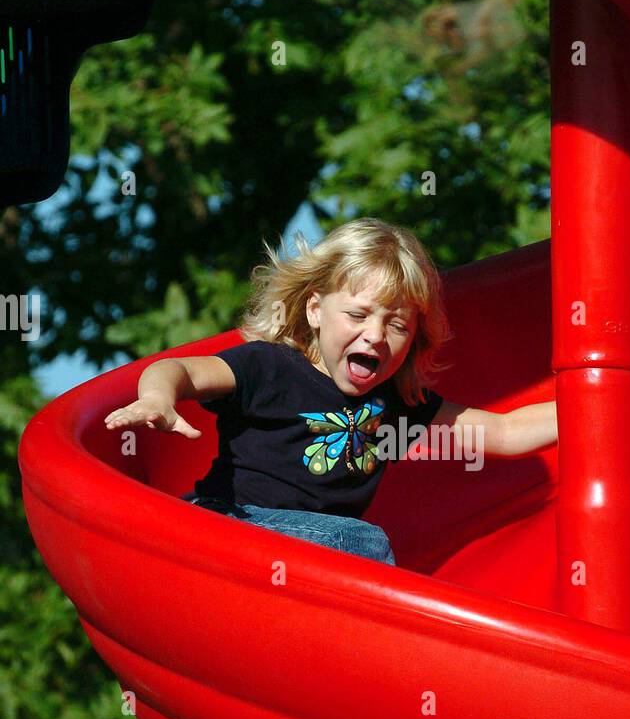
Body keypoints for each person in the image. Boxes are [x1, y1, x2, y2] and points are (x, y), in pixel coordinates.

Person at [104, 217, 558, 565]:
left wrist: (613, 411)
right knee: (363, 542)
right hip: (225, 525)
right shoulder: (271, 366)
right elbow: (176, 369)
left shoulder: (395, 407)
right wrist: (157, 399)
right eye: (358, 315)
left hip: (305, 554)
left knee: (352, 543)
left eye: (397, 324)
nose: (376, 336)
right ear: (316, 310)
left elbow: (503, 430)